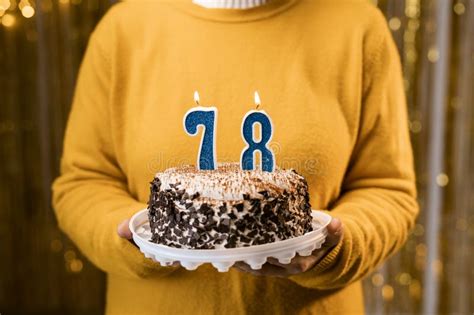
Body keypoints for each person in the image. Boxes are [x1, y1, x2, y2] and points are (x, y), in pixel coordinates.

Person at [52, 0, 419, 314]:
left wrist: (337, 248)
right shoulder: (123, 30)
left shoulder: (356, 26)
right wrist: (138, 240)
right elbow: (84, 182)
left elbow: (387, 188)